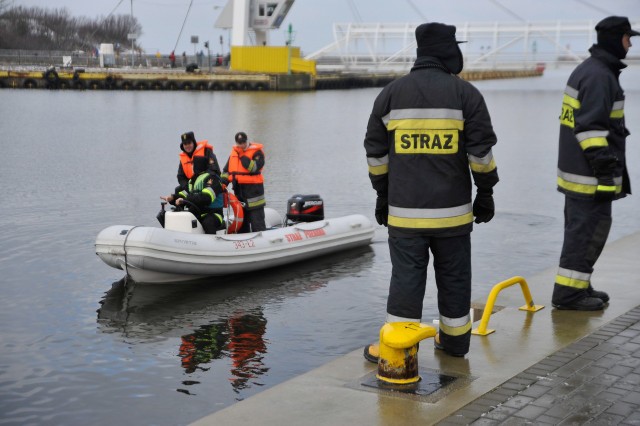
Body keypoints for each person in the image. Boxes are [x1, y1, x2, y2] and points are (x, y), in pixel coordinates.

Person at [363, 22, 499, 361]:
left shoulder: (391, 95)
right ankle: (453, 345)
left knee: (406, 281)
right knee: (454, 279)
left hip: (405, 215)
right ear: (448, 51)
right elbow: (481, 155)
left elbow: (375, 154)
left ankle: (399, 349)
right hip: (453, 216)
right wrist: (486, 192)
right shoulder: (466, 95)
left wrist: (383, 193)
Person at [552, 16, 637, 311]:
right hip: (589, 178)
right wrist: (605, 174)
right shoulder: (600, 76)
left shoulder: (588, 71)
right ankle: (569, 296)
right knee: (587, 234)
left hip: (577, 174)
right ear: (617, 39)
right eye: (628, 38)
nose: (630, 43)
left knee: (581, 234)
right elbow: (590, 130)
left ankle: (579, 285)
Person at [160, 156, 225, 234]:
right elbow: (185, 194)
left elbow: (206, 198)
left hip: (213, 214)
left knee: (208, 223)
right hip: (197, 213)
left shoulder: (212, 179)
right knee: (183, 219)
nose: (191, 167)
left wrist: (186, 200)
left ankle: (214, 243)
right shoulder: (192, 181)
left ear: (198, 166)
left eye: (193, 165)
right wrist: (173, 198)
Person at [221, 131, 267, 233]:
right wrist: (223, 183)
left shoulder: (257, 153)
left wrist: (242, 155)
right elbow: (227, 171)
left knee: (257, 225)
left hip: (254, 197)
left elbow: (253, 168)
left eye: (243, 142)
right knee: (242, 226)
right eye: (239, 143)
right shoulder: (234, 154)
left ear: (247, 141)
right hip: (240, 196)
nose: (241, 145)